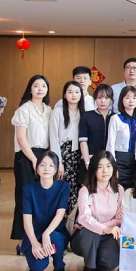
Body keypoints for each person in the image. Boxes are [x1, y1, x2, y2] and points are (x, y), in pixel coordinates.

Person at [71, 151, 124, 271]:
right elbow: (84, 218)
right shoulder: (85, 190)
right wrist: (105, 228)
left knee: (111, 262)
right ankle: (89, 269)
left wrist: (105, 228)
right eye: (100, 167)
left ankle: (96, 261)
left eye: (108, 166)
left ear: (114, 168)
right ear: (94, 170)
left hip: (107, 235)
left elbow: (119, 218)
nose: (105, 171)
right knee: (91, 231)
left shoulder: (119, 190)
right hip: (84, 235)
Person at [21, 151, 71, 271]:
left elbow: (60, 214)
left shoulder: (63, 187)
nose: (47, 169)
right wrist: (34, 242)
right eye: (42, 165)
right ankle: (36, 265)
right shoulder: (28, 189)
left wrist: (46, 234)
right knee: (37, 266)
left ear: (55, 169)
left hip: (55, 232)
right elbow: (27, 220)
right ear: (36, 168)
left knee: (55, 237)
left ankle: (59, 269)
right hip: (34, 234)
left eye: (51, 165)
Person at [11, 75, 52, 241]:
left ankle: (40, 236)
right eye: (36, 85)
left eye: (43, 86)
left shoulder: (49, 110)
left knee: (42, 197)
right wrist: (34, 160)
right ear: (30, 89)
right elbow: (21, 139)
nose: (40, 89)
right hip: (26, 156)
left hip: (45, 156)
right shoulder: (24, 110)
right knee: (25, 197)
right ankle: (23, 239)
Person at [49, 81, 85, 214]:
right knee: (63, 186)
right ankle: (61, 219)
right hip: (63, 153)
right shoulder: (57, 112)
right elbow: (53, 137)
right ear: (64, 95)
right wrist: (58, 162)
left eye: (77, 92)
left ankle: (74, 219)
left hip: (79, 153)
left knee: (77, 186)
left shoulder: (84, 113)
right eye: (70, 92)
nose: (74, 95)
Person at [79, 84, 113, 174]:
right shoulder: (87, 116)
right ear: (95, 99)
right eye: (99, 97)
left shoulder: (115, 117)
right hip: (90, 159)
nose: (103, 101)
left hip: (108, 162)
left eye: (106, 98)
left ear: (111, 100)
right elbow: (83, 141)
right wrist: (87, 162)